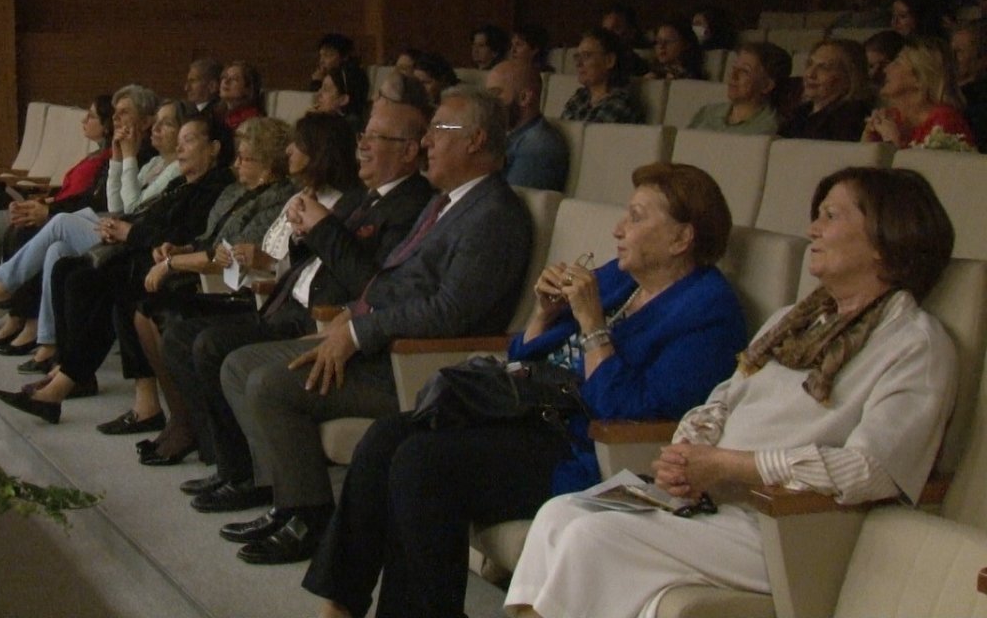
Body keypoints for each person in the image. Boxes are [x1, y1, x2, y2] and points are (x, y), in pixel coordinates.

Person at [505, 166, 957, 618]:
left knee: (590, 538)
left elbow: (870, 470)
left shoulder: (914, 343)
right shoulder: (793, 320)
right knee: (559, 515)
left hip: (788, 527)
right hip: (713, 502)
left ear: (885, 240)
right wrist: (689, 451)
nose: (812, 230)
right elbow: (722, 400)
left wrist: (728, 465)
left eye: (830, 217)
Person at [304, 163, 748, 618]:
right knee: (385, 439)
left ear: (681, 238)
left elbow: (628, 414)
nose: (619, 229)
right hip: (531, 413)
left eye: (636, 218)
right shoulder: (620, 277)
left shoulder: (708, 312)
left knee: (423, 463)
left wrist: (593, 325)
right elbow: (523, 359)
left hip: (586, 449)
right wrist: (544, 315)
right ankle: (340, 607)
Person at [207, 87, 533, 566]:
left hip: (415, 365)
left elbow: (449, 312)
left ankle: (310, 516)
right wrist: (349, 318)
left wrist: (361, 331)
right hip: (374, 339)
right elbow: (392, 281)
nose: (427, 144)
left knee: (270, 383)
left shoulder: (494, 215)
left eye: (438, 132)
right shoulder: (447, 203)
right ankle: (286, 500)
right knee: (237, 365)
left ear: (475, 140)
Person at [160, 105, 433, 488]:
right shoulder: (367, 199)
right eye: (362, 137)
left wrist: (322, 228)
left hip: (323, 320)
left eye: (376, 139)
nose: (364, 147)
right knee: (181, 333)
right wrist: (305, 236)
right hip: (285, 303)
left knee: (215, 348)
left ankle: (253, 480)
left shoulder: (412, 204)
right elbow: (315, 263)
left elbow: (371, 284)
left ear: (408, 151)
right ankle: (236, 470)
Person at [123, 113, 363, 463]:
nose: (290, 151)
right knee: (159, 313)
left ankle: (232, 460)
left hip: (285, 303)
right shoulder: (291, 197)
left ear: (321, 152)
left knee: (202, 338)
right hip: (264, 292)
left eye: (299, 145)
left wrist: (261, 263)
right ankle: (204, 439)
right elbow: (273, 258)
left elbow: (313, 269)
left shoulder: (336, 204)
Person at [0, 114, 235, 423]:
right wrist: (119, 227)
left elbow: (185, 238)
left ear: (213, 148)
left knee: (113, 284)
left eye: (190, 140)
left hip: (171, 267)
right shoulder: (179, 183)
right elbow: (145, 217)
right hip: (141, 255)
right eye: (179, 141)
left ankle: (83, 388)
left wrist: (129, 233)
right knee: (70, 271)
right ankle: (71, 373)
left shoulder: (217, 186)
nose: (181, 148)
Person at [0, 98, 188, 373]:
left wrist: (128, 156)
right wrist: (118, 157)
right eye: (159, 122)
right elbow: (115, 204)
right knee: (57, 250)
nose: (157, 129)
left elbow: (129, 208)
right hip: (114, 224)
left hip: (129, 237)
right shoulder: (154, 163)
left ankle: (3, 285)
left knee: (59, 223)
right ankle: (49, 344)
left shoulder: (176, 170)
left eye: (167, 124)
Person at [0, 93, 117, 333]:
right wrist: (40, 201)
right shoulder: (95, 155)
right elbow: (67, 193)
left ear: (107, 125)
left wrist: (45, 206)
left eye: (92, 116)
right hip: (52, 207)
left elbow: (87, 201)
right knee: (2, 223)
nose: (84, 121)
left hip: (68, 216)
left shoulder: (108, 160)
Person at [863, 37, 975, 149]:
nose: (886, 70)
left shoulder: (945, 122)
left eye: (897, 63)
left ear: (920, 79)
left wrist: (892, 141)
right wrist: (868, 139)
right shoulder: (893, 118)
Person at [485, 58, 569, 191]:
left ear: (524, 98)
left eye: (495, 94)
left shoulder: (539, 144)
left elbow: (510, 204)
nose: (489, 103)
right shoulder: (506, 136)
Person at [781, 39, 874, 141]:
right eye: (810, 64)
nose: (810, 74)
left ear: (850, 77)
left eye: (824, 67)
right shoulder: (800, 113)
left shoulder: (851, 119)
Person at [689, 42, 791, 134]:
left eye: (744, 71)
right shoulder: (708, 112)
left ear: (766, 85)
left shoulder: (769, 128)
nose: (733, 76)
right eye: (734, 68)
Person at [560, 28, 645, 124]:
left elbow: (590, 137)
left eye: (586, 56)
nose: (578, 64)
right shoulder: (580, 97)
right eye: (577, 57)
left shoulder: (620, 103)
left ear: (609, 61)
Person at [951, 21, 987, 151]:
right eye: (950, 50)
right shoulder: (946, 91)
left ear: (982, 59)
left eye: (959, 51)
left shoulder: (980, 103)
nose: (952, 57)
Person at [312, 65, 370, 132]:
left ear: (343, 100)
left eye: (326, 89)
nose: (318, 94)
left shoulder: (342, 131)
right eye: (321, 88)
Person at [217, 61, 264, 132]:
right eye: (224, 77)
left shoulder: (251, 120)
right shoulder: (216, 113)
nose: (226, 81)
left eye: (234, 79)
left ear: (248, 89)